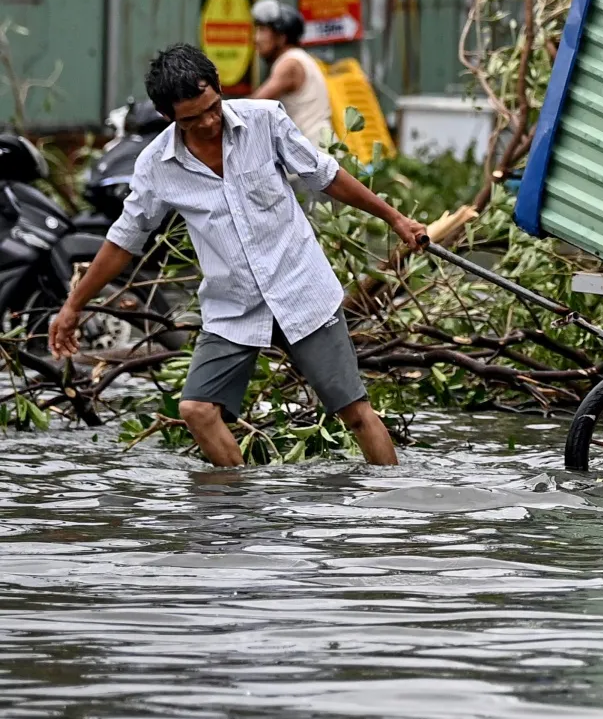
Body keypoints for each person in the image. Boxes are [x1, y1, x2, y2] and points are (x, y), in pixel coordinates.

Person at [49, 44, 428, 467]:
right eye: (193, 118)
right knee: (196, 411)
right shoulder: (157, 165)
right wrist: (73, 306)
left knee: (354, 412)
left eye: (213, 107)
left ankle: (391, 506)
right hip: (234, 307)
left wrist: (395, 219)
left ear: (219, 89)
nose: (210, 122)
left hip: (301, 289)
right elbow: (123, 241)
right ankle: (241, 512)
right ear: (168, 117)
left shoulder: (264, 121)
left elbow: (326, 176)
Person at [250, 0, 334, 144]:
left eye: (263, 31)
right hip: (316, 147)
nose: (256, 38)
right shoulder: (298, 58)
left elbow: (254, 105)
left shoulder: (290, 64)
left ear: (281, 37)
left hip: (314, 151)